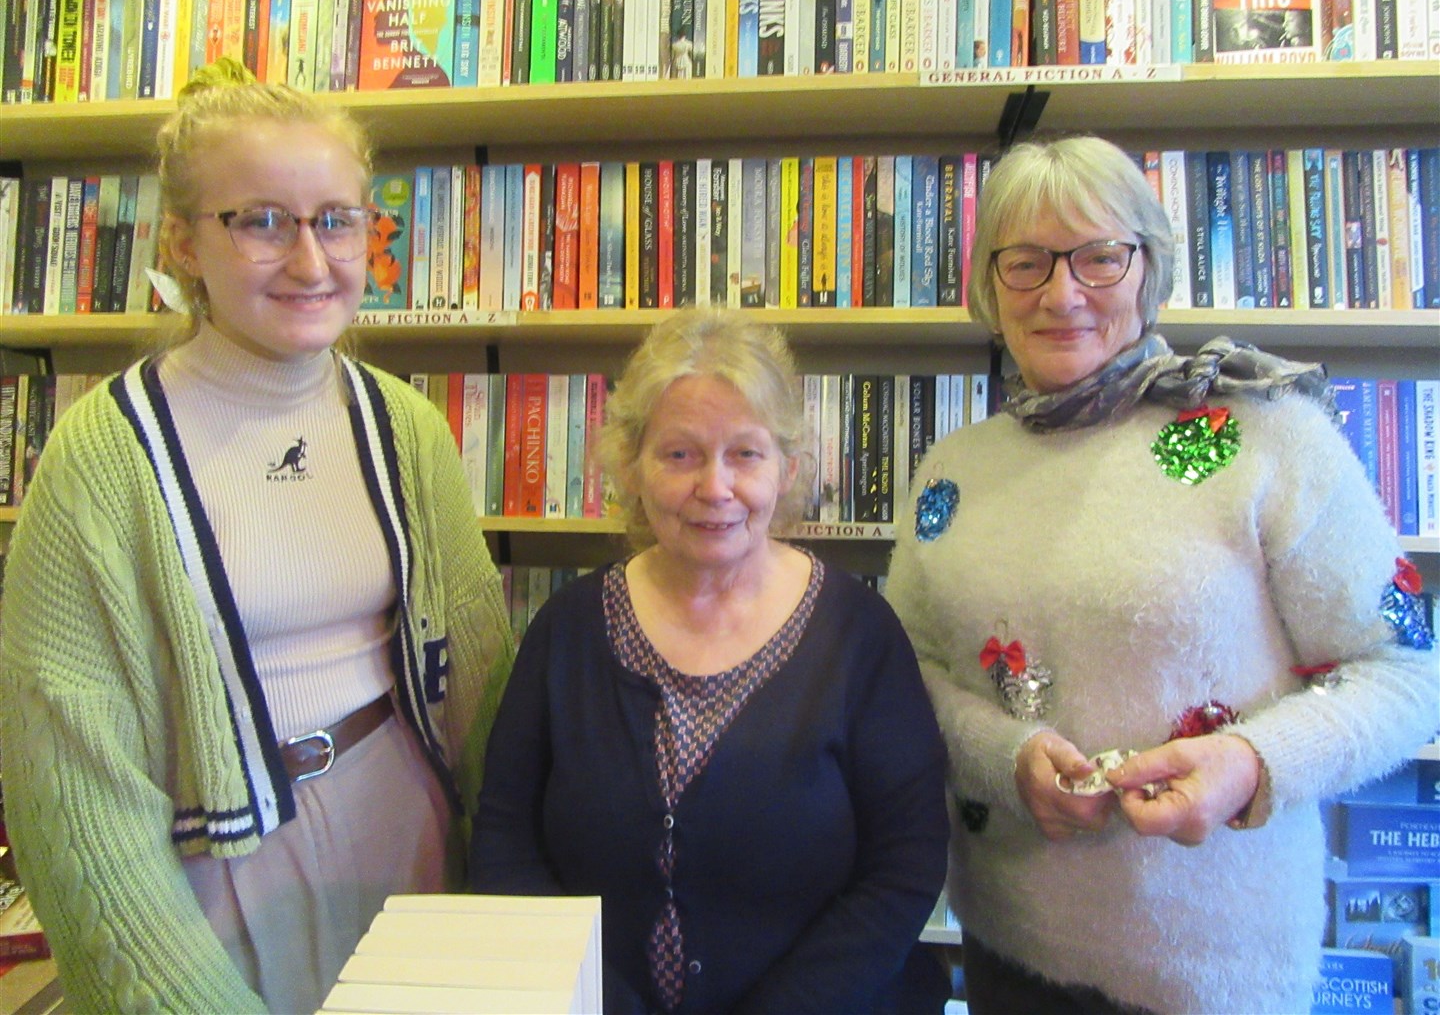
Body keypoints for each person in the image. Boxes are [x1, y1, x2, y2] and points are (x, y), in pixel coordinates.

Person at [0, 59, 514, 1013]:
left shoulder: (409, 428)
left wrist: (512, 882)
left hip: (410, 826)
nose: (312, 261)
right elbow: (72, 791)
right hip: (212, 872)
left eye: (337, 219)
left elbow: (479, 682)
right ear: (185, 244)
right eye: (262, 221)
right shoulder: (99, 459)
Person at [884, 135, 1437, 1015]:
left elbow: (1408, 668)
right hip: (1006, 951)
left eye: (1101, 257)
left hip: (1216, 975)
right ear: (990, 287)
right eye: (1025, 263)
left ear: (1152, 268)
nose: (1063, 294)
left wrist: (1251, 763)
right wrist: (1006, 758)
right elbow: (902, 672)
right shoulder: (954, 474)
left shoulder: (1264, 439)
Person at [471, 308, 950, 1013]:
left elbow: (905, 866)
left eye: (745, 454)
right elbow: (505, 845)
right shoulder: (565, 631)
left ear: (787, 467)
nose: (716, 487)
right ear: (631, 467)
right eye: (680, 454)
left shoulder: (860, 635)